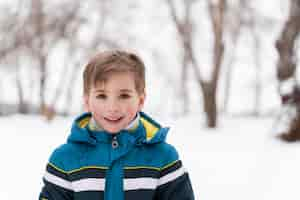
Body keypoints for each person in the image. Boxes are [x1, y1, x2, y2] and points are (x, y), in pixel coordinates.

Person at [39, 50, 195, 200]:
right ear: (87, 101)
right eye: (102, 96)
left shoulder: (163, 158)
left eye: (124, 95)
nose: (113, 107)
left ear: (140, 100)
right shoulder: (65, 159)